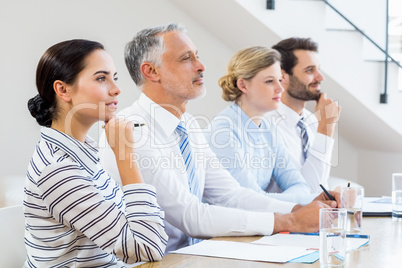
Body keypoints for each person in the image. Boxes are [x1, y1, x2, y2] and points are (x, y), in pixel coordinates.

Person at [100, 23, 340, 252]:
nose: (201, 65)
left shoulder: (188, 125)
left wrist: (302, 209)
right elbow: (191, 216)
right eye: (187, 58)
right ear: (151, 71)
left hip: (194, 256)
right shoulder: (132, 130)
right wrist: (290, 221)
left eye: (197, 55)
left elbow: (230, 195)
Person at [25, 39, 167, 267]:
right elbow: (148, 248)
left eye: (115, 77)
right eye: (101, 78)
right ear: (63, 90)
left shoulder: (80, 153)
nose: (116, 88)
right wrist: (125, 156)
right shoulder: (58, 171)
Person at [205, 46, 315, 204]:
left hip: (259, 222)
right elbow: (251, 201)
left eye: (279, 80)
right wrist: (307, 201)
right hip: (228, 226)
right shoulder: (223, 133)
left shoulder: (268, 129)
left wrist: (305, 200)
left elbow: (298, 184)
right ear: (243, 85)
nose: (280, 88)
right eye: (270, 81)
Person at [266, 37, 341, 193]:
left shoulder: (311, 120)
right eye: (309, 70)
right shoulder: (267, 126)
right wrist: (326, 128)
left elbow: (320, 185)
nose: (320, 77)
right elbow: (307, 193)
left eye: (318, 69)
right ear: (282, 76)